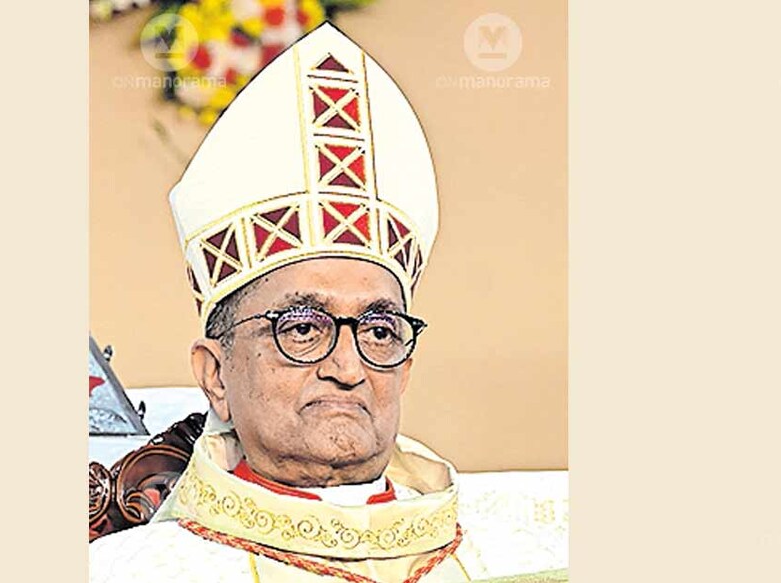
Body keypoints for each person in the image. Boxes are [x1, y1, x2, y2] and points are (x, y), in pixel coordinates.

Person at [91, 22, 498, 583]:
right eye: (302, 327)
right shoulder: (129, 573)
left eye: (380, 331)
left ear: (406, 369)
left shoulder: (516, 551)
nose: (348, 368)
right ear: (214, 375)